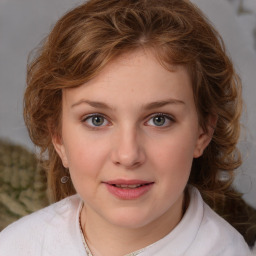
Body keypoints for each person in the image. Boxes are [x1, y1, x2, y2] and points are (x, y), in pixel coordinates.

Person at [0, 0, 253, 255]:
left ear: (203, 132)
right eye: (96, 120)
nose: (128, 155)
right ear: (58, 137)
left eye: (159, 119)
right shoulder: (16, 247)